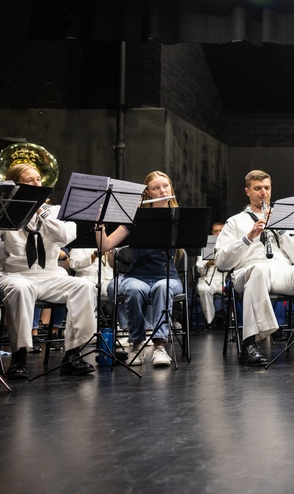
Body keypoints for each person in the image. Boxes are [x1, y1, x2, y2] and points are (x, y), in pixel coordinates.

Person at [214, 170, 294, 366]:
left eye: (267, 188)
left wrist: (280, 229)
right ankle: (249, 344)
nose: (263, 193)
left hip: (281, 270)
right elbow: (221, 262)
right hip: (248, 271)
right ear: (247, 191)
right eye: (257, 188)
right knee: (259, 270)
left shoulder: (284, 219)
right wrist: (248, 237)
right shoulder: (235, 221)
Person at [0, 162, 96, 378]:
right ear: (17, 185)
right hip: (16, 274)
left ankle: (73, 354)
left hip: (50, 275)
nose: (36, 183)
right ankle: (20, 356)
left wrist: (41, 213)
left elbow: (65, 236)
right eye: (29, 181)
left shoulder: (56, 211)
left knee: (85, 287)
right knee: (20, 288)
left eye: (38, 179)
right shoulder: (6, 210)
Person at [97, 171, 183, 367]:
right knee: (134, 290)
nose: (162, 191)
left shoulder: (177, 217)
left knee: (163, 287)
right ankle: (136, 344)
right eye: (156, 188)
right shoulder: (135, 217)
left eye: (165, 186)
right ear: (147, 193)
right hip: (137, 276)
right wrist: (99, 223)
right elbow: (105, 245)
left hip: (167, 277)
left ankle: (160, 347)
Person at [195, 222, 225, 328]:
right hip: (208, 278)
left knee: (236, 288)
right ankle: (210, 321)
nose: (218, 233)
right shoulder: (206, 246)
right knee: (204, 289)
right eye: (216, 231)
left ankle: (232, 320)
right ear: (212, 233)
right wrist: (208, 263)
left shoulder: (230, 244)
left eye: (220, 231)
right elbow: (200, 268)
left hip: (224, 279)